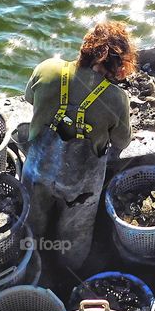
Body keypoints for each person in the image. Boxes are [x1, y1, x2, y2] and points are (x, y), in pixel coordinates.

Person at [22, 21, 136, 271]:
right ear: (119, 65)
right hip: (80, 186)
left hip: (37, 172)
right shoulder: (116, 99)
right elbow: (121, 141)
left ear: (86, 47)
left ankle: (30, 265)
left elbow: (29, 98)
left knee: (31, 222)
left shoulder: (47, 69)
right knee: (75, 233)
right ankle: (68, 271)